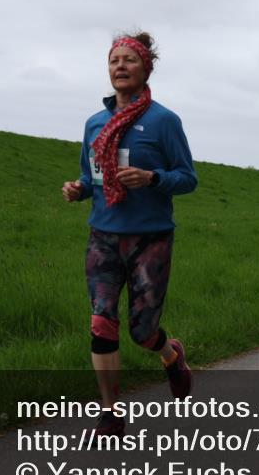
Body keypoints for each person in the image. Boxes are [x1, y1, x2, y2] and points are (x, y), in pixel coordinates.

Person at [61, 32, 198, 439]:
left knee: (142, 332)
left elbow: (188, 178)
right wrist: (79, 189)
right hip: (103, 236)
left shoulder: (164, 121)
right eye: (114, 60)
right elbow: (90, 176)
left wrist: (152, 177)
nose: (120, 66)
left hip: (150, 239)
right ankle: (110, 413)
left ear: (146, 68)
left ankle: (171, 355)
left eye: (129, 60)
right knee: (101, 322)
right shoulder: (94, 123)